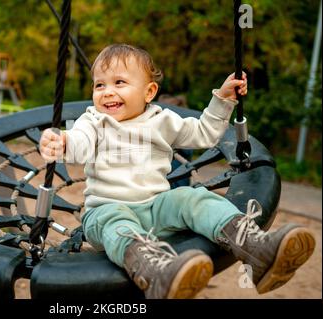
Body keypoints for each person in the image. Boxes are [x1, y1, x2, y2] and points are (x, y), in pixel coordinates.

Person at [39, 44, 315, 299]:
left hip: (155, 207)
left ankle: (257, 249)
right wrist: (62, 142)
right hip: (105, 213)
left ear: (149, 92)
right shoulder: (94, 121)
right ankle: (156, 273)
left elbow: (204, 133)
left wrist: (223, 100)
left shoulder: (163, 120)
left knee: (189, 197)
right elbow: (80, 144)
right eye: (99, 85)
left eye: (119, 82)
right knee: (116, 221)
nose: (107, 91)